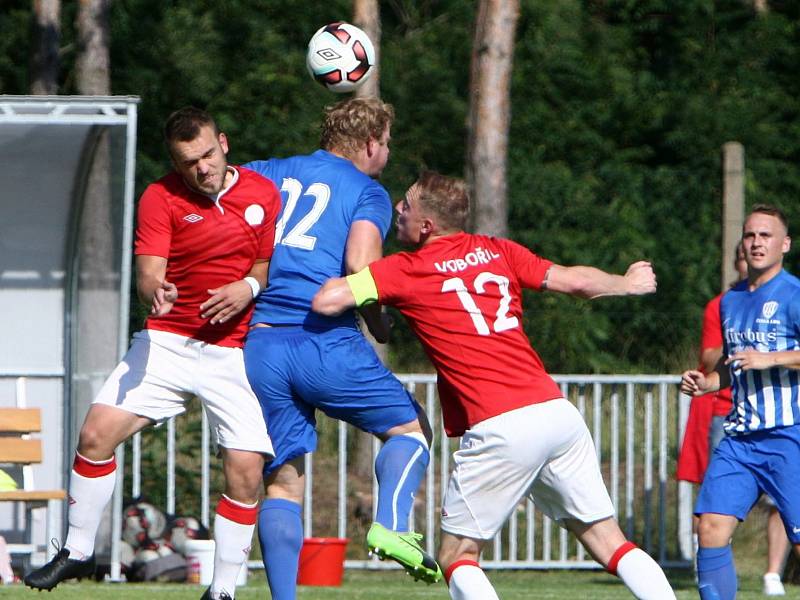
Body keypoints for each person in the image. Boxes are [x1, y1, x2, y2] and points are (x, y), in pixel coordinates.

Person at [312, 171, 676, 600]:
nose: (398, 209)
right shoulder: (495, 250)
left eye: (406, 204)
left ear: (426, 225)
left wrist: (358, 278)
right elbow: (575, 281)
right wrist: (627, 283)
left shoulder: (405, 269)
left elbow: (326, 300)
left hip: (501, 424)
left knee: (457, 555)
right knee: (607, 540)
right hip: (554, 413)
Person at [23, 107, 281, 600]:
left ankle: (223, 591)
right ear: (176, 163)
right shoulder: (160, 196)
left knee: (246, 472)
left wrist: (248, 286)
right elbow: (148, 271)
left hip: (229, 352)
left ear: (223, 143)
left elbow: (265, 266)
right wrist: (154, 291)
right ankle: (77, 552)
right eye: (189, 163)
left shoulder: (263, 194)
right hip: (167, 342)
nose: (201, 168)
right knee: (95, 434)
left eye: (207, 155)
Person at [242, 97, 439, 600]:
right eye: (388, 144)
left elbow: (221, 202)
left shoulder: (265, 171)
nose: (388, 154)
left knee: (284, 483)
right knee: (411, 428)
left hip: (261, 344)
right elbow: (361, 269)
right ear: (371, 143)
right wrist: (380, 323)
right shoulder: (368, 192)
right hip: (324, 341)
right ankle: (392, 525)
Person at [681, 204, 800, 600]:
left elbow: (764, 359)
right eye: (750, 235)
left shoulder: (794, 294)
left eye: (766, 235)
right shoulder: (729, 301)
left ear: (784, 244)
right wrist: (708, 383)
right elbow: (735, 368)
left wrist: (774, 358)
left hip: (789, 436)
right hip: (740, 439)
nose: (756, 242)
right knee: (710, 527)